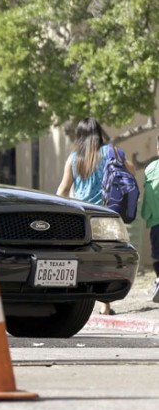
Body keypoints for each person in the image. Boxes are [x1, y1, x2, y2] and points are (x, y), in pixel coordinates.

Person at [57, 117, 136, 314]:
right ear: (99, 133)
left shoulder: (74, 158)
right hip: (106, 214)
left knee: (81, 256)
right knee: (105, 258)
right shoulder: (112, 152)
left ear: (80, 136)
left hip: (82, 215)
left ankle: (77, 298)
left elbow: (63, 189)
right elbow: (132, 170)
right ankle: (105, 304)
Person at [141, 134, 159, 304]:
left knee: (157, 255)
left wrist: (146, 216)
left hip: (156, 222)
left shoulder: (151, 168)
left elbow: (148, 196)